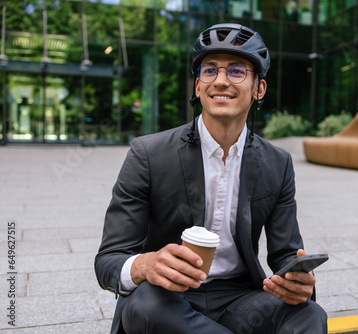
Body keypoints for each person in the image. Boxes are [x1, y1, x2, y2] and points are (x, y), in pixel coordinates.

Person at [95, 23, 327, 334]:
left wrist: (298, 282)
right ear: (197, 86)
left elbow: (285, 253)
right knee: (145, 307)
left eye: (236, 71)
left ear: (259, 89)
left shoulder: (278, 163)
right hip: (166, 297)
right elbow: (109, 260)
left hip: (240, 299)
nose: (220, 81)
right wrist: (145, 264)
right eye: (209, 70)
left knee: (310, 314)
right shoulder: (148, 154)